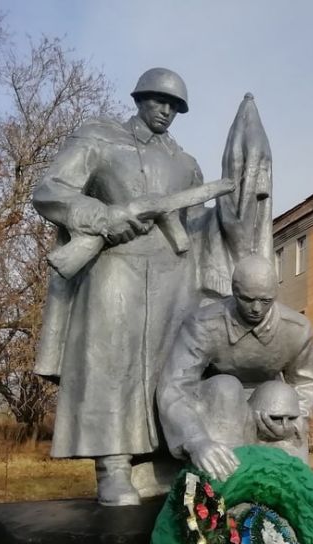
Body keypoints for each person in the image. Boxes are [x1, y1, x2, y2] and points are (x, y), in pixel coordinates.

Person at [33, 68, 205, 506]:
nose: (166, 111)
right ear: (139, 98)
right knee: (109, 362)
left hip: (174, 276)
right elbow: (51, 190)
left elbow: (199, 224)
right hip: (113, 267)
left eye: (175, 106)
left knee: (170, 365)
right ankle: (112, 467)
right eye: (159, 100)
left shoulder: (186, 163)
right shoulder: (99, 138)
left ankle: (163, 463)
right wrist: (104, 217)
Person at [157, 255, 313, 480]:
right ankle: (223, 481)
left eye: (265, 300)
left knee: (280, 395)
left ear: (275, 294)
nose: (256, 309)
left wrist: (296, 422)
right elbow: (175, 386)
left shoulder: (297, 329)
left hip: (267, 407)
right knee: (225, 387)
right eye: (247, 299)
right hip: (217, 404)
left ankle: (284, 481)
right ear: (234, 291)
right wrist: (196, 440)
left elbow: (305, 382)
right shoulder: (204, 324)